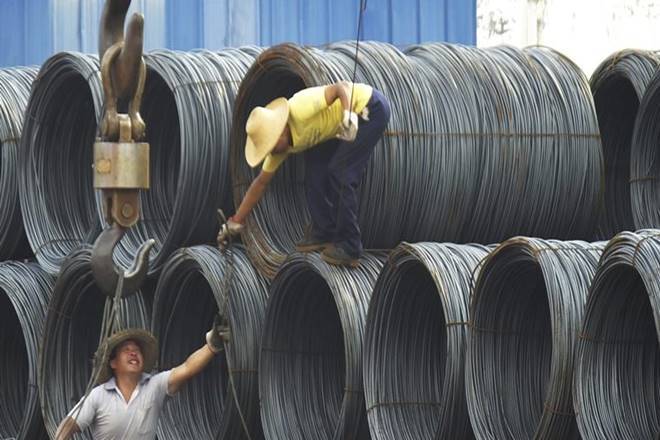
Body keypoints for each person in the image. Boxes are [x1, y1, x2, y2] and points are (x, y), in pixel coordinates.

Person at [218, 80, 391, 267]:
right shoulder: (279, 148)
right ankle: (323, 231)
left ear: (281, 129)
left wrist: (348, 116)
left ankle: (350, 246)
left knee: (340, 173)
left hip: (368, 110)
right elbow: (260, 184)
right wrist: (235, 221)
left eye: (271, 144)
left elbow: (342, 88)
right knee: (315, 171)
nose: (271, 151)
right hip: (331, 130)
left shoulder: (300, 107)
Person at [54, 318, 228, 439]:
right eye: (126, 349)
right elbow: (68, 425)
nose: (133, 352)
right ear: (113, 363)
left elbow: (187, 368)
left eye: (137, 350)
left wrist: (212, 345)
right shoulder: (98, 395)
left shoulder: (155, 386)